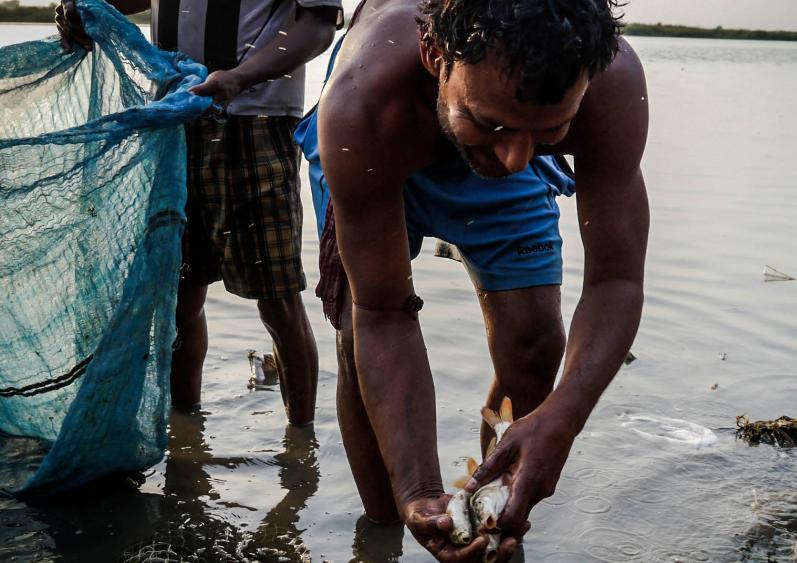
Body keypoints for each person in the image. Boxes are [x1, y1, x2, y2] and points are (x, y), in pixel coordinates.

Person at [302, 0, 649, 560]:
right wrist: (416, 489)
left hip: (484, 107)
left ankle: (487, 510)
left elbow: (617, 283)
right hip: (389, 139)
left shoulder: (609, 87)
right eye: (493, 126)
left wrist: (563, 415)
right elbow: (383, 312)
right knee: (354, 341)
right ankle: (385, 531)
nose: (515, 160)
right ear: (435, 55)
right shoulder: (363, 102)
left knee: (536, 342)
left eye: (553, 129)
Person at [57, 0, 343, 426]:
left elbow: (319, 24)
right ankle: (184, 432)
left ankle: (300, 447)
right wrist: (82, 7)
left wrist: (241, 77)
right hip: (176, 116)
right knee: (180, 293)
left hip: (254, 120)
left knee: (277, 297)